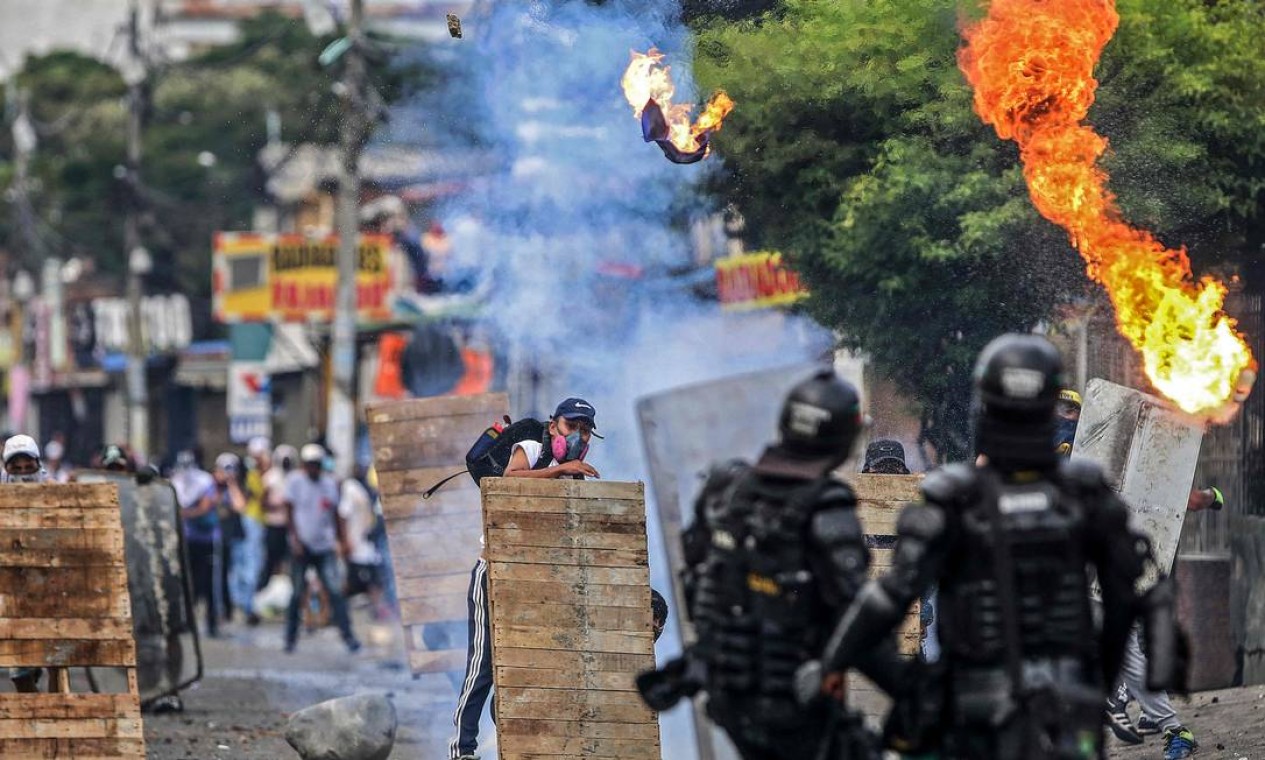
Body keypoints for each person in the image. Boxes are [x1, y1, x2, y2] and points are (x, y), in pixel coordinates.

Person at [799, 334, 1183, 759]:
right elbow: (1141, 601)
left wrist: (834, 663)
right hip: (1066, 710)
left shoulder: (952, 498)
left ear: (985, 405)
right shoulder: (1086, 495)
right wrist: (1097, 687)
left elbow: (887, 599)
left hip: (973, 707)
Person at [638, 370, 908, 760]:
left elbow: (697, 582)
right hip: (792, 703)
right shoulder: (826, 504)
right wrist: (917, 693)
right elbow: (859, 620)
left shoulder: (726, 490)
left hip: (729, 694)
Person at [448, 398, 601, 760]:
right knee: (482, 667)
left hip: (536, 581)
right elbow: (507, 482)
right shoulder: (532, 449)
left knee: (531, 664)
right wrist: (559, 471)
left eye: (585, 430)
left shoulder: (575, 471)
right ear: (553, 426)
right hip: (495, 574)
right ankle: (462, 750)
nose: (577, 435)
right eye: (571, 426)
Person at [284, 443, 360, 654]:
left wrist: (343, 541)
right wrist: (296, 540)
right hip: (302, 546)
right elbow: (289, 513)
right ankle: (290, 638)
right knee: (297, 593)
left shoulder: (329, 484)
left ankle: (348, 636)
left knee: (335, 591)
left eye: (316, 465)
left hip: (324, 546)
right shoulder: (294, 482)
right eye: (310, 465)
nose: (313, 469)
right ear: (304, 465)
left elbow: (335, 515)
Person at [3, 435, 52, 693]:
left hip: (53, 589)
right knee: (20, 674)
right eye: (16, 468)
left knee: (56, 661)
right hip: (13, 591)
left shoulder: (54, 489)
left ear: (37, 465)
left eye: (28, 467)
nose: (23, 472)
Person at [173, 450, 221, 639]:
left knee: (209, 584)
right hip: (186, 539)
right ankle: (187, 622)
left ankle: (212, 623)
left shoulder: (205, 481)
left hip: (206, 539)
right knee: (187, 583)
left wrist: (185, 513)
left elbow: (206, 506)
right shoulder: (175, 482)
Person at [339, 464, 386, 620]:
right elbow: (343, 515)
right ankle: (338, 610)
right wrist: (345, 541)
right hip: (356, 542)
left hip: (367, 542)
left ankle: (377, 611)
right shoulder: (350, 488)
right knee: (352, 581)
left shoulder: (366, 489)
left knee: (375, 578)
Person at [260, 444, 296, 589]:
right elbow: (263, 502)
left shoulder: (294, 477)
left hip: (291, 526)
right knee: (271, 560)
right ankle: (264, 590)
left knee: (289, 562)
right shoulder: (271, 477)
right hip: (274, 524)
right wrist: (277, 505)